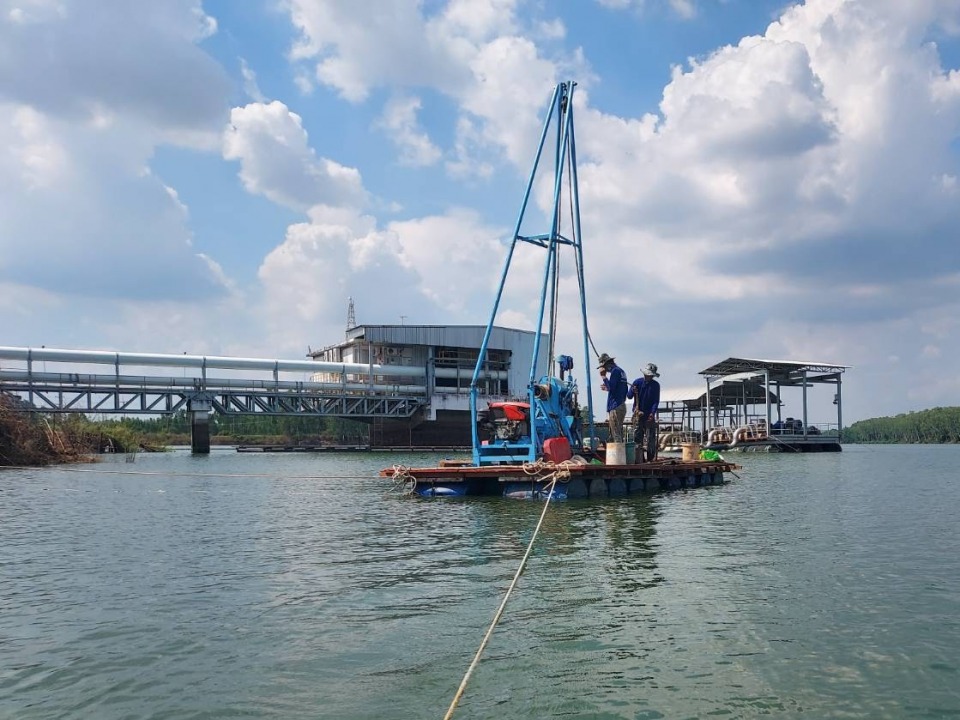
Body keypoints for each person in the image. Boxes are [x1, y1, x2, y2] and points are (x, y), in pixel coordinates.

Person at [628, 362, 661, 463]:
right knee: (637, 438)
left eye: (650, 375)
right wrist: (633, 390)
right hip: (638, 414)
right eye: (647, 375)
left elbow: (655, 401)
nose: (648, 377)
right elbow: (629, 396)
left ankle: (650, 459)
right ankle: (639, 459)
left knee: (651, 438)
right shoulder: (637, 382)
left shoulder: (655, 385)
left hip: (649, 415)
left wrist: (652, 413)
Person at [597, 352, 628, 444]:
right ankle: (621, 451)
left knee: (616, 434)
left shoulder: (615, 371)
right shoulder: (621, 372)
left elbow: (611, 387)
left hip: (615, 406)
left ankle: (618, 452)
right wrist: (607, 387)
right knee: (618, 432)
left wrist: (603, 376)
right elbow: (620, 389)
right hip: (621, 404)